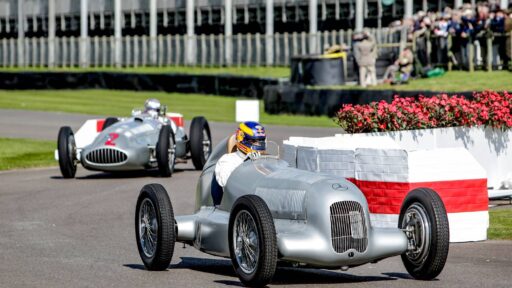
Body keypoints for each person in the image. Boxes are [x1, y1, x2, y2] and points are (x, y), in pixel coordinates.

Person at [214, 121, 266, 187]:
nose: (258, 144)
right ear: (242, 139)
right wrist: (246, 164)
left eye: (261, 141)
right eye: (253, 141)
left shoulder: (265, 160)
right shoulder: (227, 160)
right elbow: (224, 182)